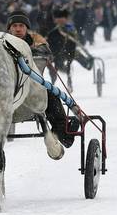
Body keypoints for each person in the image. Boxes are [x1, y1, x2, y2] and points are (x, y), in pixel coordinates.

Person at [6, 10, 78, 148]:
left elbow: (45, 50)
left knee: (50, 95)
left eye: (21, 25)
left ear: (26, 28)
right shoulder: (1, 42)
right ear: (9, 28)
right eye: (14, 26)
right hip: (4, 89)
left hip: (33, 88)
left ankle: (63, 133)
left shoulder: (36, 41)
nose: (18, 29)